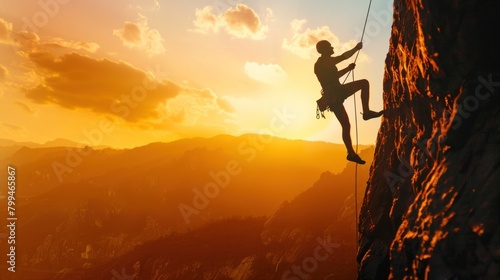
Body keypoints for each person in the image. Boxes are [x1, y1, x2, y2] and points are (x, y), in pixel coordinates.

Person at [314, 40, 384, 164]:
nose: (332, 47)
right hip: (335, 93)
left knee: (346, 125)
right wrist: (356, 48)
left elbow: (334, 76)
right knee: (364, 83)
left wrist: (347, 69)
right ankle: (366, 112)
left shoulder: (322, 63)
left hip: (334, 94)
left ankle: (351, 153)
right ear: (324, 50)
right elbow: (343, 57)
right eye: (329, 46)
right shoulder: (325, 61)